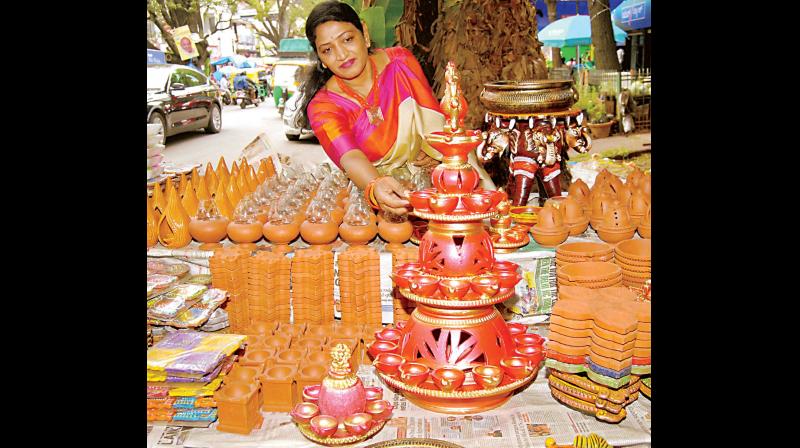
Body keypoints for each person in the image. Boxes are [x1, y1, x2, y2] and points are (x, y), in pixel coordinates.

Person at [299, 0, 493, 216]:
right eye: (328, 50)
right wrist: (375, 185)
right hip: (380, 202)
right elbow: (350, 156)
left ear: (364, 32)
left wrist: (439, 153)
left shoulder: (401, 62)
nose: (342, 54)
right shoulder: (323, 106)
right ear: (321, 59)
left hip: (435, 187)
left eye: (347, 39)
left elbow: (432, 120)